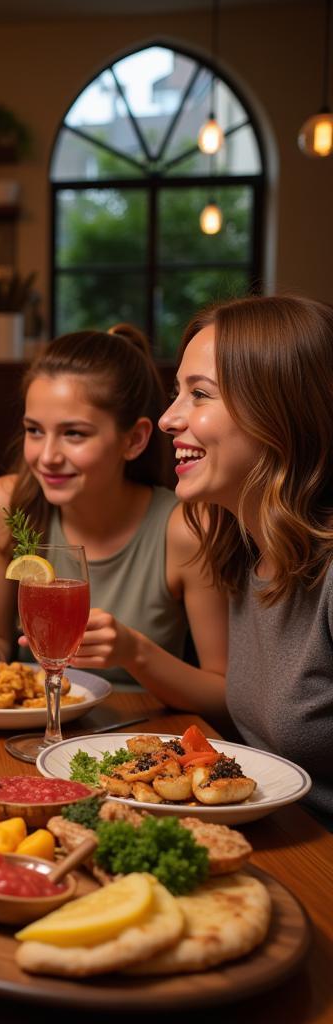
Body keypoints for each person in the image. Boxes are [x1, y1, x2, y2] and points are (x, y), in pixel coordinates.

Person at [0, 326, 228, 702]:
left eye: (75, 434)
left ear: (134, 440)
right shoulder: (3, 505)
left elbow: (224, 695)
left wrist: (135, 653)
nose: (47, 456)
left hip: (140, 735)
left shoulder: (187, 528)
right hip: (35, 724)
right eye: (35, 431)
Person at [159, 295, 333, 819]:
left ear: (280, 413)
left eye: (200, 395)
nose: (169, 419)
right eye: (177, 394)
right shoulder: (239, 548)